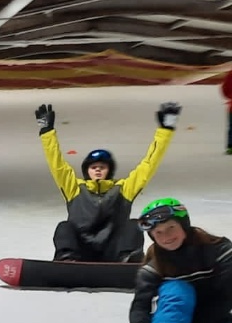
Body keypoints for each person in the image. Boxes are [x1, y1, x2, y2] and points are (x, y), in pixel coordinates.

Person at [35, 100, 179, 262]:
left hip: (114, 252)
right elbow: (57, 164)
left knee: (133, 225)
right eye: (93, 167)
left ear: (109, 171)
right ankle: (67, 259)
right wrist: (46, 131)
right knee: (64, 227)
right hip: (81, 252)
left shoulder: (123, 189)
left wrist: (165, 130)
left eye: (102, 167)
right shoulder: (74, 189)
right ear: (87, 171)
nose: (97, 170)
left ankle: (128, 259)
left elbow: (149, 164)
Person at [127, 198, 232, 323]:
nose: (166, 236)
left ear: (184, 226)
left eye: (171, 227)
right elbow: (141, 304)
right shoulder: (154, 267)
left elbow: (227, 293)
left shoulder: (219, 250)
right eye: (158, 232)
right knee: (176, 289)